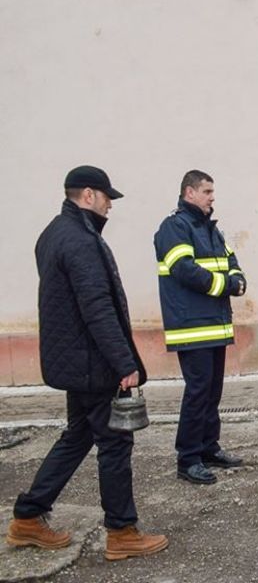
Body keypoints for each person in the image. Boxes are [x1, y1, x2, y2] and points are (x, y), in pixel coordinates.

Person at [6, 166, 168, 561]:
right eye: (107, 197)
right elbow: (96, 307)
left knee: (78, 436)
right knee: (114, 443)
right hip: (94, 363)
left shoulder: (53, 233)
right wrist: (124, 363)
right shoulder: (81, 240)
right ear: (89, 195)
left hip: (75, 361)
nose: (111, 205)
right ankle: (122, 531)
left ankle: (28, 516)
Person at [155, 170, 247, 486]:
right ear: (189, 192)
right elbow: (184, 270)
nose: (212, 197)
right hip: (192, 326)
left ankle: (209, 448)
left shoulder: (210, 229)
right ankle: (188, 458)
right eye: (207, 191)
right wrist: (227, 285)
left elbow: (231, 260)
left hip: (215, 324)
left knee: (211, 392)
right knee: (198, 393)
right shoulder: (174, 227)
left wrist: (239, 279)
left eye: (212, 191)